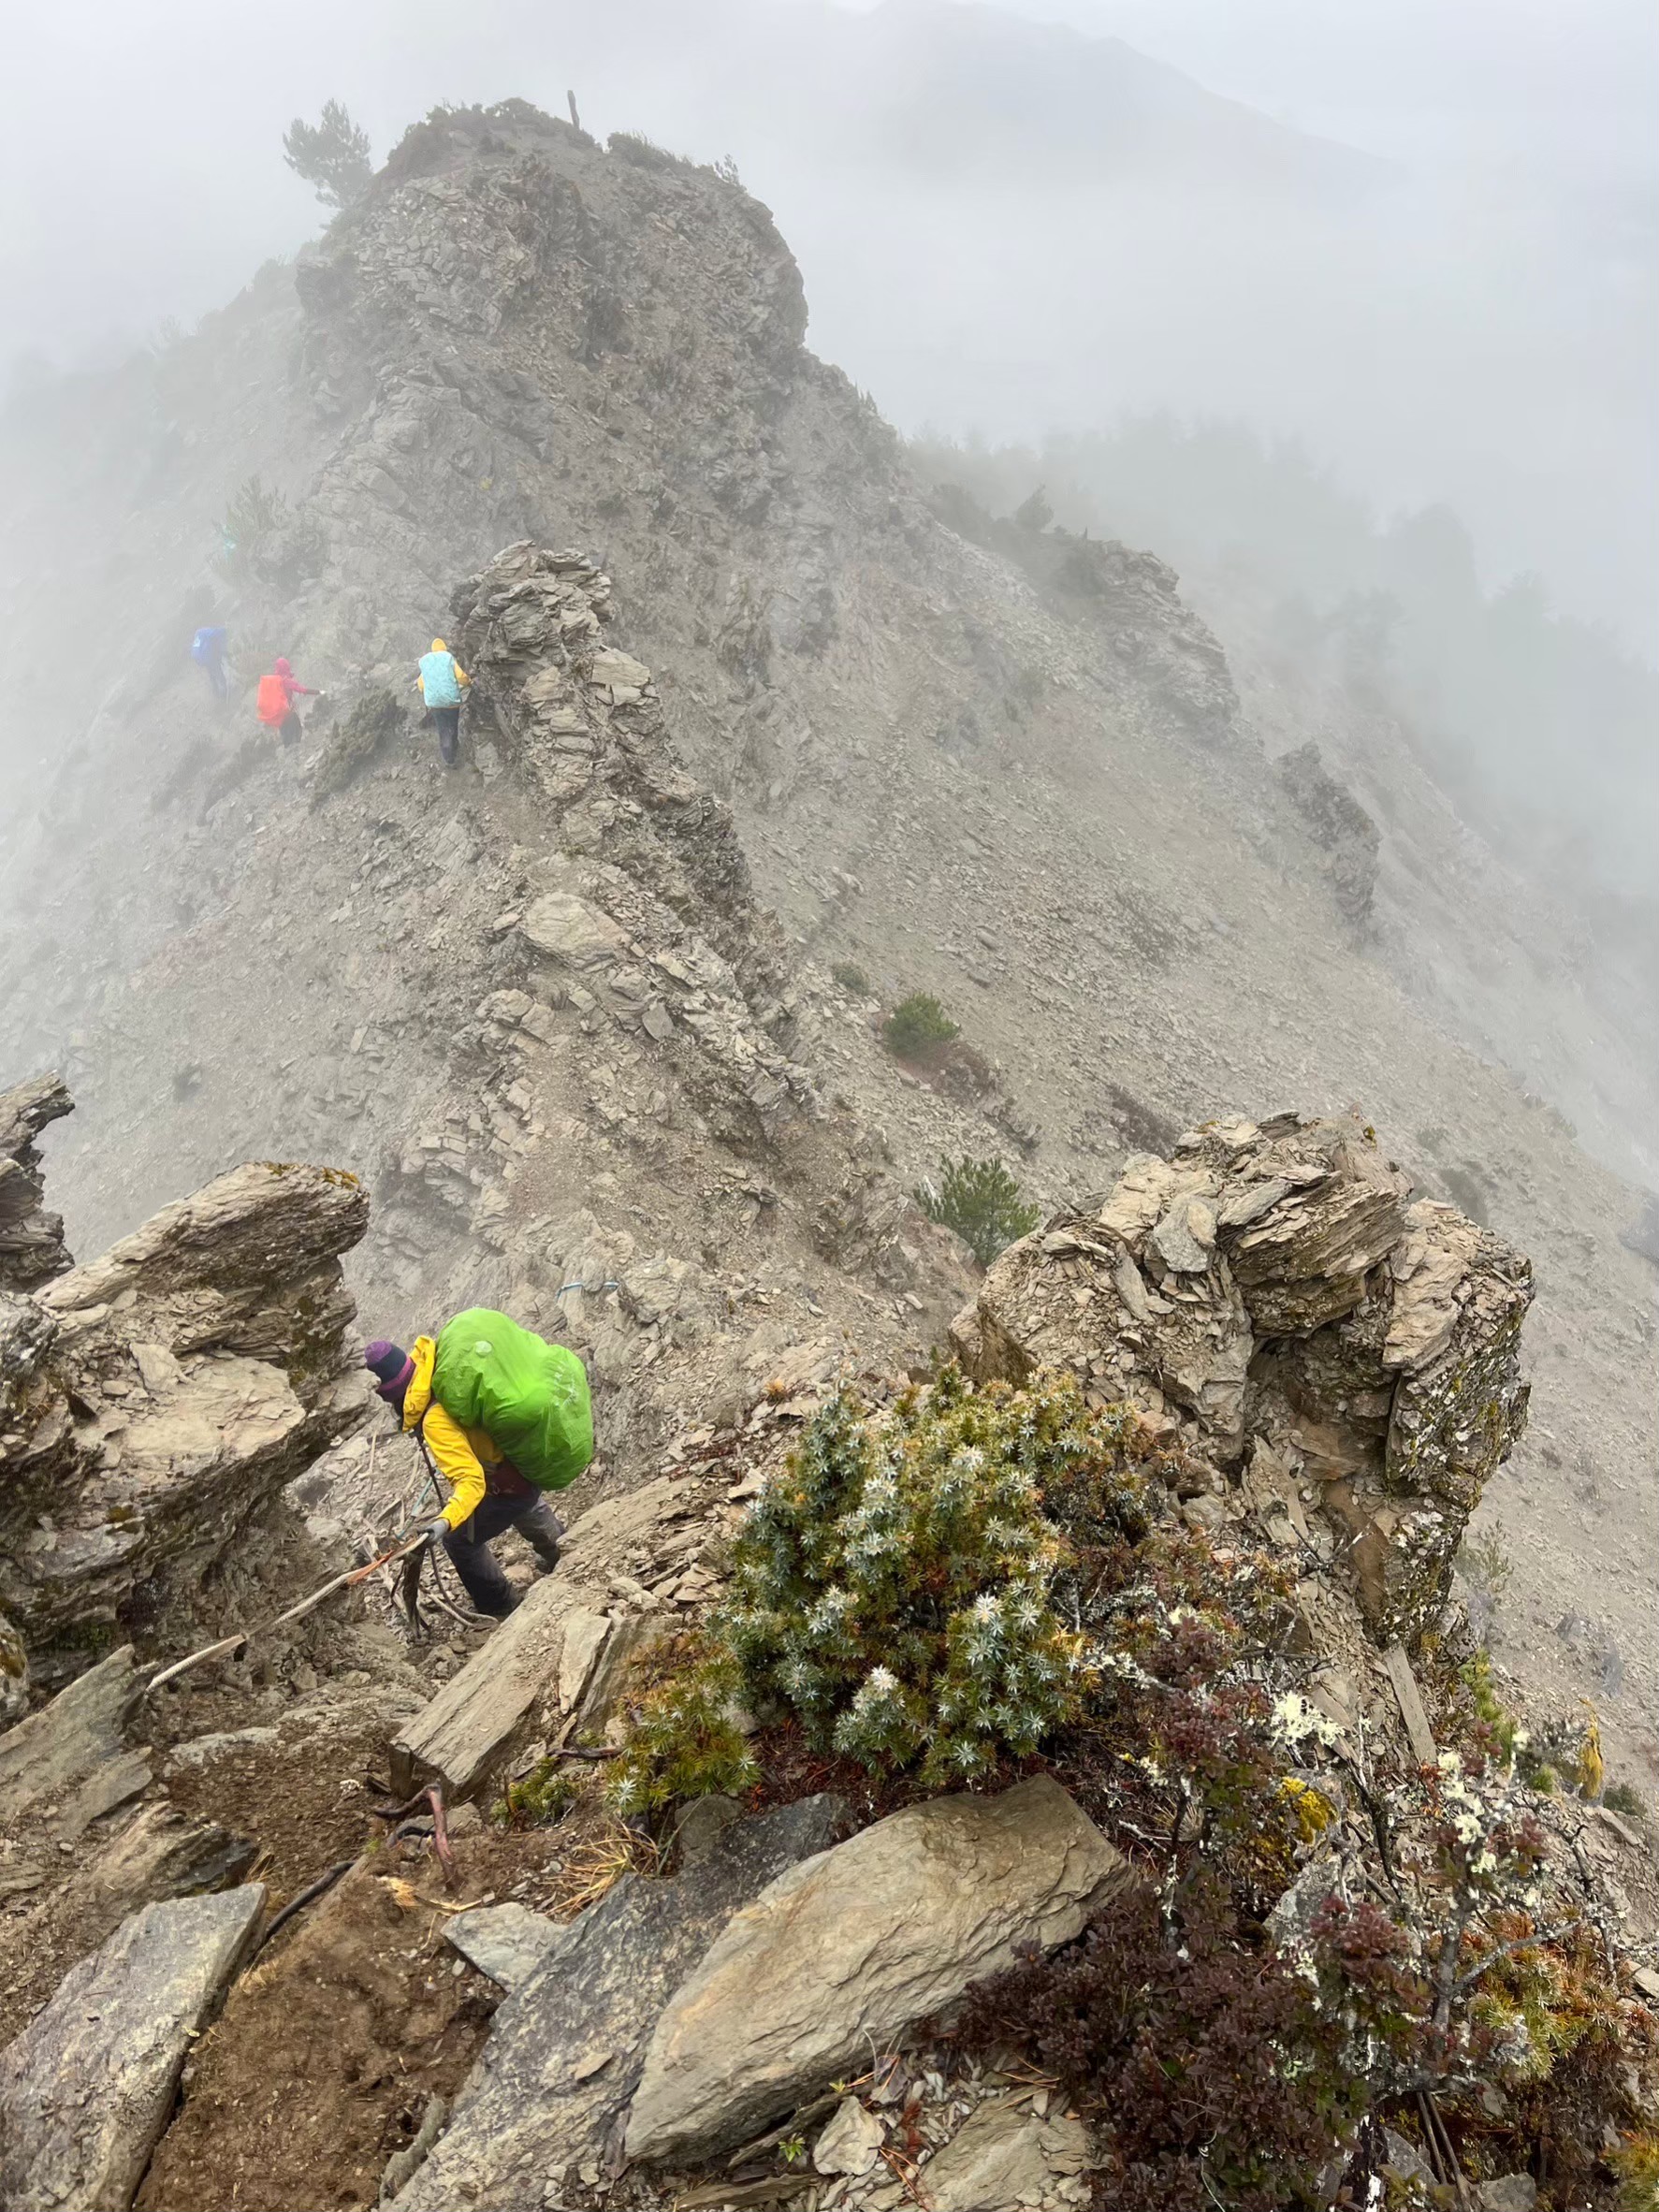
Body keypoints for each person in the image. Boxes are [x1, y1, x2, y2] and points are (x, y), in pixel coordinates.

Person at [365, 1334, 571, 1618]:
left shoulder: (435, 1418)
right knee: (523, 1501)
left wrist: (445, 1521)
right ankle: (560, 1550)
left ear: (393, 1395)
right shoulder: (445, 1374)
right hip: (522, 1464)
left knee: (459, 1541)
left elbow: (471, 1482)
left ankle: (499, 1605)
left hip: (505, 1485)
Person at [415, 638, 471, 767]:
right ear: (444, 648)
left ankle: (448, 758)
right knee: (452, 725)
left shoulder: (427, 663)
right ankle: (454, 746)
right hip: (451, 701)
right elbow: (461, 676)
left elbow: (420, 685)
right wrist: (469, 682)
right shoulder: (448, 658)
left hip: (434, 704)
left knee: (443, 729)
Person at [256, 655, 319, 746]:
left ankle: (290, 756)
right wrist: (319, 692)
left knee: (286, 739)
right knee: (296, 734)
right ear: (286, 667)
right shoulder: (286, 681)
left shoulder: (274, 682)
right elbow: (302, 690)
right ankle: (297, 755)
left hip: (279, 717)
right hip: (288, 714)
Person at [190, 623, 230, 700]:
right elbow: (214, 633)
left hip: (202, 659)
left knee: (211, 672)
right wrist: (225, 629)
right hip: (209, 656)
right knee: (218, 671)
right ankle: (225, 692)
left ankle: (215, 691)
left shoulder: (198, 634)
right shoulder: (205, 631)